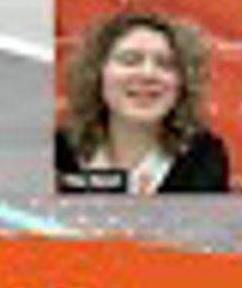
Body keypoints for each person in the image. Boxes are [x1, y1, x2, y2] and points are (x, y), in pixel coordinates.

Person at [54, 10, 230, 194]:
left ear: (182, 83)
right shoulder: (57, 152)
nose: (148, 74)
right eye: (130, 60)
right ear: (97, 73)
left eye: (165, 64)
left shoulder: (204, 156)